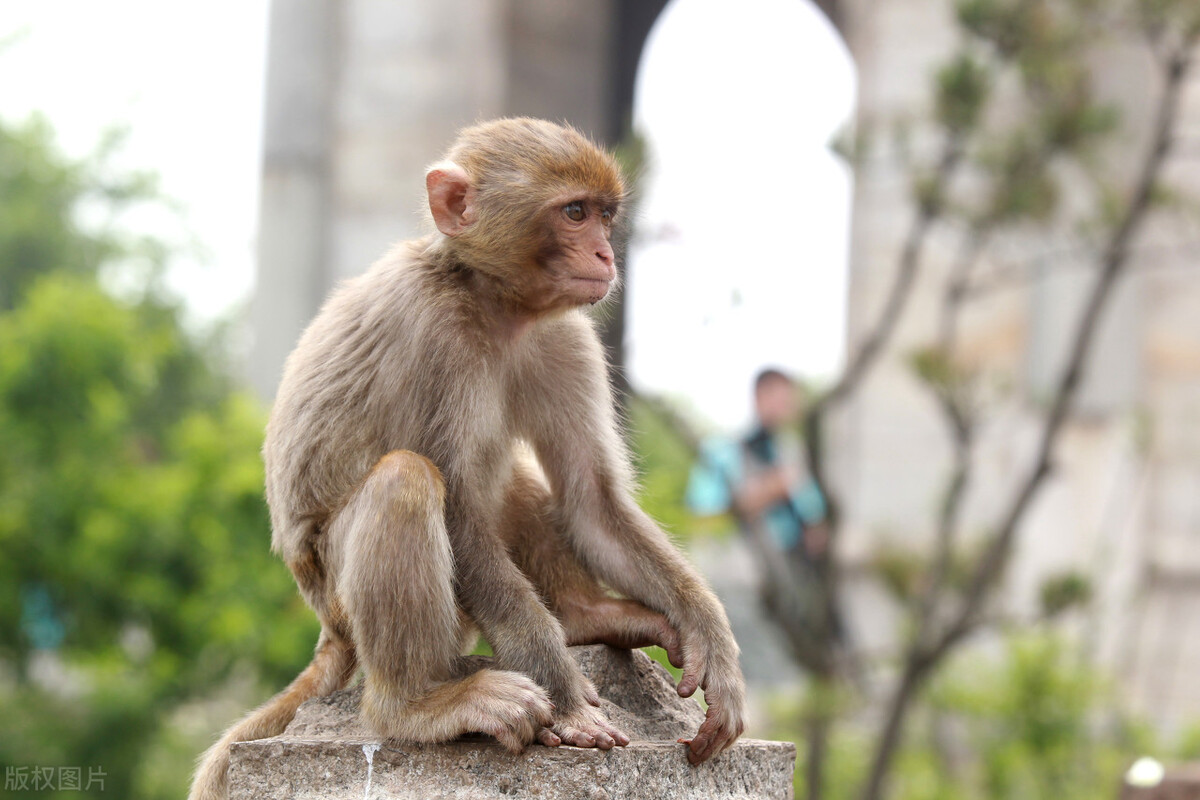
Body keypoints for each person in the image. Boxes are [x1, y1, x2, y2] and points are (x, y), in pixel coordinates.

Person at [687, 368, 827, 560]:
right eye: (783, 401)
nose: (788, 409)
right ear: (760, 396)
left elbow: (810, 505)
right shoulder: (722, 449)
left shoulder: (789, 449)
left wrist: (813, 526)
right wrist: (764, 493)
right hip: (738, 562)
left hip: (785, 560)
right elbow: (704, 513)